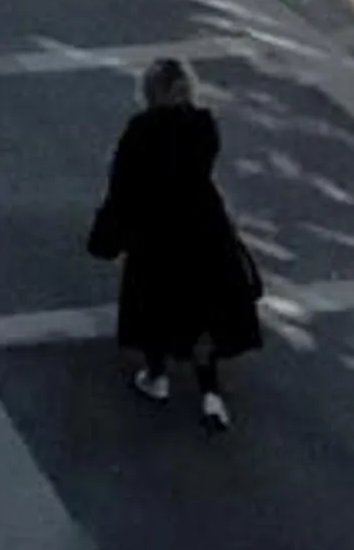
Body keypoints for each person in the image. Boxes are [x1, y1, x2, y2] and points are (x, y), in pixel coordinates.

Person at [88, 56, 262, 433]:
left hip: (156, 231)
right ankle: (211, 395)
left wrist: (108, 233)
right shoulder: (204, 125)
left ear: (150, 92)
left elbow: (123, 186)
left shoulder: (141, 129)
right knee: (203, 311)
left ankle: (156, 375)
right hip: (205, 226)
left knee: (155, 305)